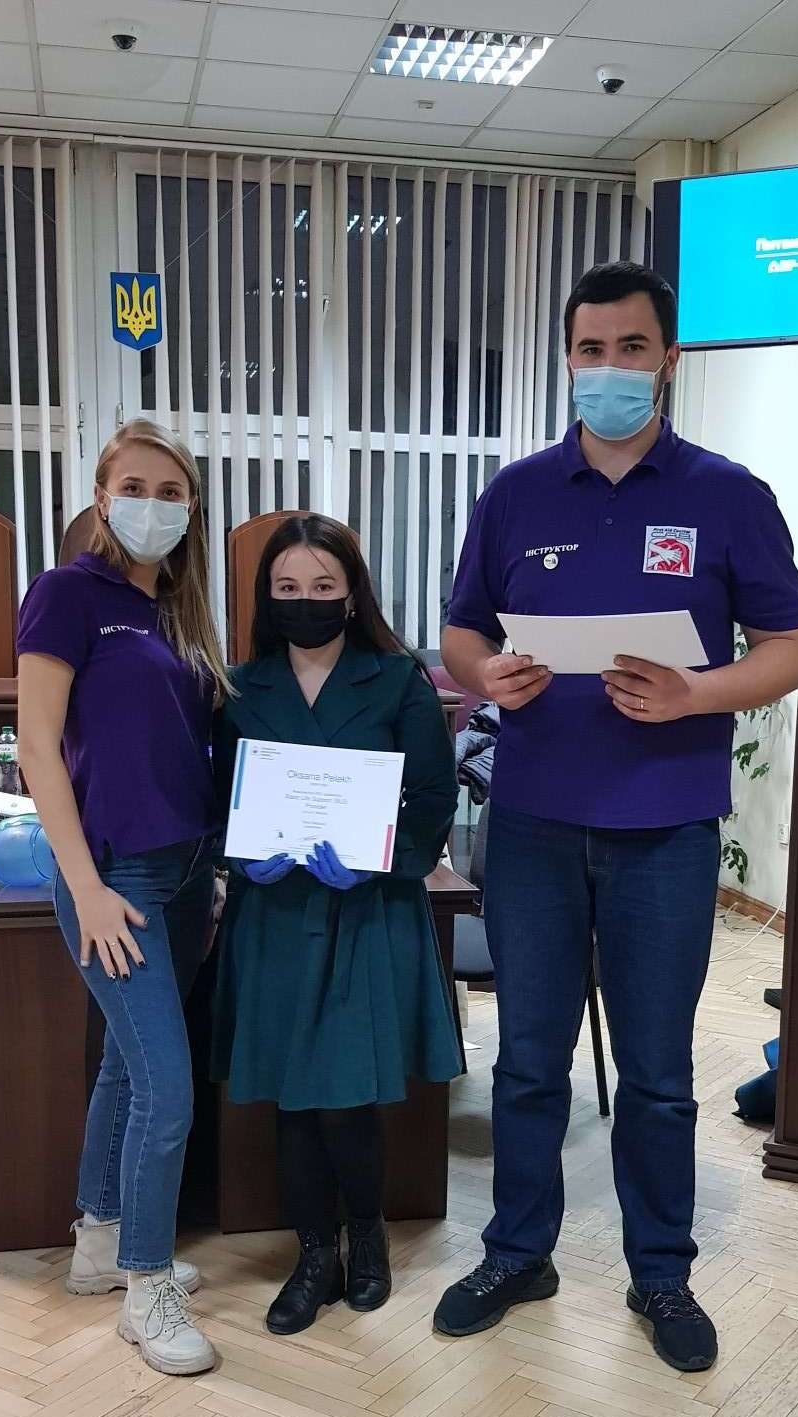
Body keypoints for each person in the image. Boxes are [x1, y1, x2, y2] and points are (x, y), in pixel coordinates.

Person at [434, 262, 798, 1373]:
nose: (609, 368)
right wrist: (485, 673)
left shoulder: (728, 495)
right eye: (591, 349)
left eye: (631, 348)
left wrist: (697, 693)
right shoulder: (514, 494)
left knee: (654, 1071)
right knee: (527, 1060)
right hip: (533, 823)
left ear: (667, 360)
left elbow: (787, 649)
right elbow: (461, 629)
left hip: (666, 827)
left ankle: (661, 1271)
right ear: (568, 358)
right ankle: (518, 1252)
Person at [211, 514, 462, 1336]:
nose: (306, 600)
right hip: (276, 915)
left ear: (351, 594)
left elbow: (433, 797)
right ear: (266, 595)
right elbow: (219, 801)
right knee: (292, 1098)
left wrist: (379, 860)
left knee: (348, 1095)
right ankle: (314, 1253)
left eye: (323, 585)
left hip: (365, 911)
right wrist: (240, 855)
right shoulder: (241, 686)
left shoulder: (397, 679)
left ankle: (368, 1235)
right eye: (288, 587)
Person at [17, 419, 228, 1378]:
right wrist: (87, 887)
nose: (153, 504)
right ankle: (147, 1290)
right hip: (116, 879)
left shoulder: (178, 611)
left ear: (191, 508)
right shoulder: (67, 593)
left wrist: (211, 870)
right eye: (134, 486)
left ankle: (100, 1244)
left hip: (183, 875)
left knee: (126, 1067)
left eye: (171, 491)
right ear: (102, 497)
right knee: (167, 1089)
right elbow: (37, 746)